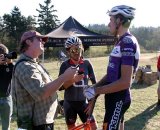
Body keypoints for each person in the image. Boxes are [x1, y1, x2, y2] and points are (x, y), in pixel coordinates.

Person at [83, 5, 140, 130]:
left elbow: (125, 82)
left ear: (119, 20)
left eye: (111, 20)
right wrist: (94, 89)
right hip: (113, 97)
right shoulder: (121, 41)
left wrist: (96, 91)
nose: (108, 24)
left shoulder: (128, 43)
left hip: (119, 98)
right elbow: (111, 75)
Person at [11, 30, 78, 130]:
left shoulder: (34, 64)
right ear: (28, 42)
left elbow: (49, 88)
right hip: (36, 125)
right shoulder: (25, 66)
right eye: (40, 39)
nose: (43, 42)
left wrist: (69, 79)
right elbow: (41, 93)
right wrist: (64, 76)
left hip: (43, 122)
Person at [58, 36, 98, 130]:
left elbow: (95, 84)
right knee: (72, 128)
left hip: (84, 102)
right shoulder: (65, 65)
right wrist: (73, 80)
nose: (77, 53)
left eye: (78, 49)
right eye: (73, 50)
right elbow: (60, 87)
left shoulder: (87, 64)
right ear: (68, 52)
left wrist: (92, 101)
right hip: (69, 104)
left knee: (93, 127)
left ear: (82, 49)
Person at [0, 43, 14, 130]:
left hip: (6, 98)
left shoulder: (9, 66)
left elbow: (16, 75)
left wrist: (10, 63)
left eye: (4, 55)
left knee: (6, 126)